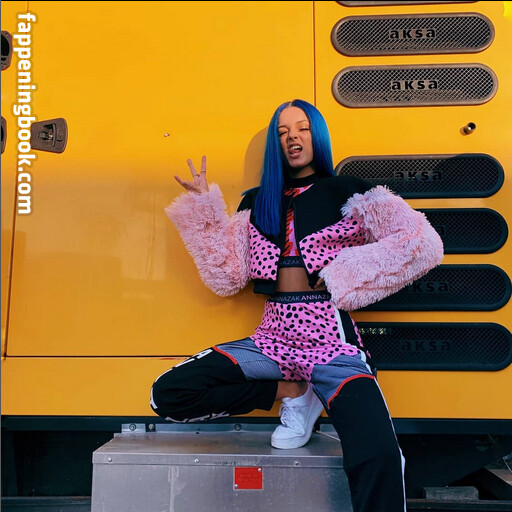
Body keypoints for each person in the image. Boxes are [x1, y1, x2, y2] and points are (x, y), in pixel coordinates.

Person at [150, 99, 444, 512]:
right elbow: (228, 277)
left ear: (317, 135)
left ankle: (313, 392)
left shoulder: (351, 191)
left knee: (377, 453)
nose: (293, 138)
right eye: (283, 132)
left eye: (303, 128)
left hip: (331, 342)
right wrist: (204, 210)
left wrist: (344, 270)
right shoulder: (256, 201)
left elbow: (422, 243)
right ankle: (293, 390)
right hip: (271, 339)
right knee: (167, 394)